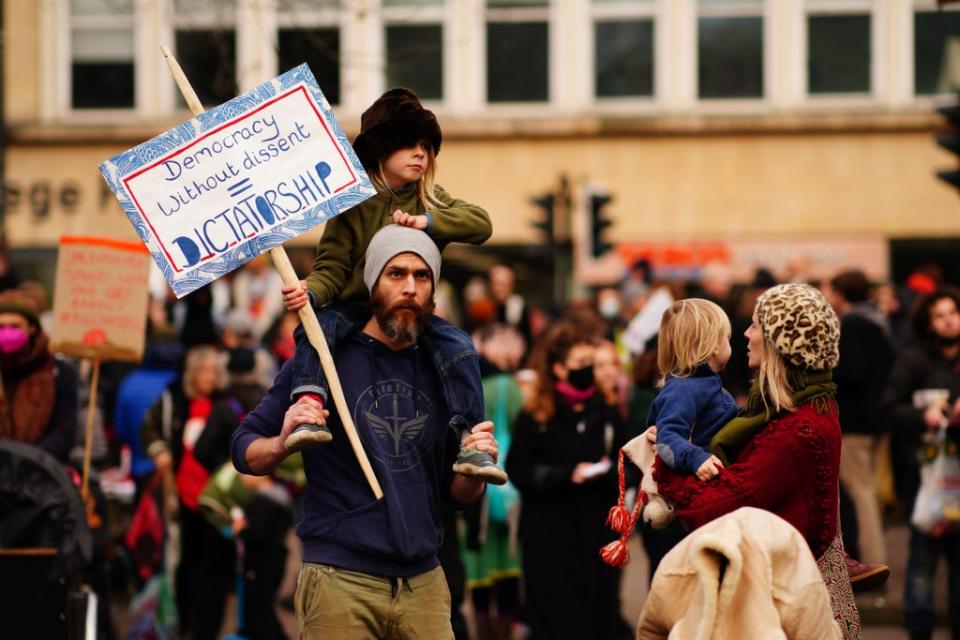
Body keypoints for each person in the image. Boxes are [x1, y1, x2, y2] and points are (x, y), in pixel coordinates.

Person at [231, 227, 500, 639]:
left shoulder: (449, 368)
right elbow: (244, 448)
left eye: (421, 276)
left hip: (424, 581)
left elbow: (458, 494)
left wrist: (473, 472)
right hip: (340, 579)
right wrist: (284, 441)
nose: (409, 287)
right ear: (373, 281)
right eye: (396, 274)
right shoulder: (323, 356)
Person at [279, 89, 499, 484]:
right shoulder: (352, 202)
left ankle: (470, 439)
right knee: (316, 328)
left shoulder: (429, 198)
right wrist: (308, 293)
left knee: (459, 346)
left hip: (411, 311)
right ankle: (309, 406)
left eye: (426, 147)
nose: (421, 154)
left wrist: (428, 222)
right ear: (382, 149)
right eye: (409, 145)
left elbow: (481, 223)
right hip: (351, 308)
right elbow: (331, 266)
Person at [653, 283, 861, 637]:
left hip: (784, 608)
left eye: (755, 326)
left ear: (782, 343)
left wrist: (664, 467)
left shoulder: (793, 427)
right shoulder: (794, 407)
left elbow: (712, 510)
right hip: (789, 596)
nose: (746, 335)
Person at [506, 322, 632, 640]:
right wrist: (565, 475)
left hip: (596, 538)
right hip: (549, 540)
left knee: (598, 618)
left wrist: (614, 475)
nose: (589, 371)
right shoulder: (536, 416)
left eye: (592, 363)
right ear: (559, 369)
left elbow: (627, 465)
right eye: (581, 365)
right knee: (554, 624)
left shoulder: (606, 412)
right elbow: (518, 469)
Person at [880, 287, 960, 640]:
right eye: (940, 315)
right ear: (928, 323)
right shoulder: (913, 360)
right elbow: (889, 408)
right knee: (922, 559)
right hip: (923, 474)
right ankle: (919, 627)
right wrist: (923, 415)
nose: (949, 320)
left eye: (953, 313)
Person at [141, 345, 233, 640]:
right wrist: (160, 453)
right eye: (203, 371)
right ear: (191, 375)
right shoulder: (174, 401)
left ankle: (208, 626)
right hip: (181, 496)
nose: (208, 377)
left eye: (213, 371)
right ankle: (185, 620)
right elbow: (150, 429)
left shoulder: (227, 406)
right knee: (185, 563)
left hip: (216, 497)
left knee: (213, 564)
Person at [822, 269, 894, 569]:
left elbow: (851, 372)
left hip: (854, 422)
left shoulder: (853, 325)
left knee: (859, 494)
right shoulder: (877, 322)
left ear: (840, 294)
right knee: (866, 491)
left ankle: (871, 563)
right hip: (874, 419)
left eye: (829, 291)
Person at [649, 299, 739, 482]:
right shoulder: (683, 388)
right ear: (714, 345)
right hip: (702, 480)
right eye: (727, 338)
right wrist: (696, 458)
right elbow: (667, 437)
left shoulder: (702, 383)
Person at [0, 290, 77, 464]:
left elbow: (64, 432)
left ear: (32, 328)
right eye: (1, 327)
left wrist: (28, 460)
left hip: (41, 474)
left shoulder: (59, 372)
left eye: (14, 326)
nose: (6, 332)